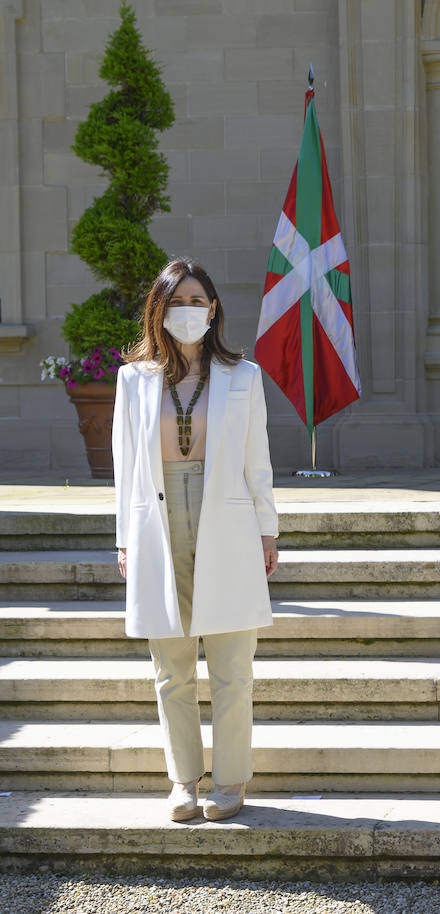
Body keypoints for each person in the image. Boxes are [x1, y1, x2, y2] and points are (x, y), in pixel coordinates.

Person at [113, 257, 279, 823]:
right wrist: (124, 540)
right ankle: (184, 780)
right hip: (158, 523)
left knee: (232, 664)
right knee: (171, 665)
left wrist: (267, 529)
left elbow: (258, 461)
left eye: (198, 301)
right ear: (159, 309)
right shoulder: (132, 379)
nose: (189, 311)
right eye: (177, 301)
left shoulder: (244, 376)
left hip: (227, 520)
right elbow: (125, 469)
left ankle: (230, 781)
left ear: (214, 309)